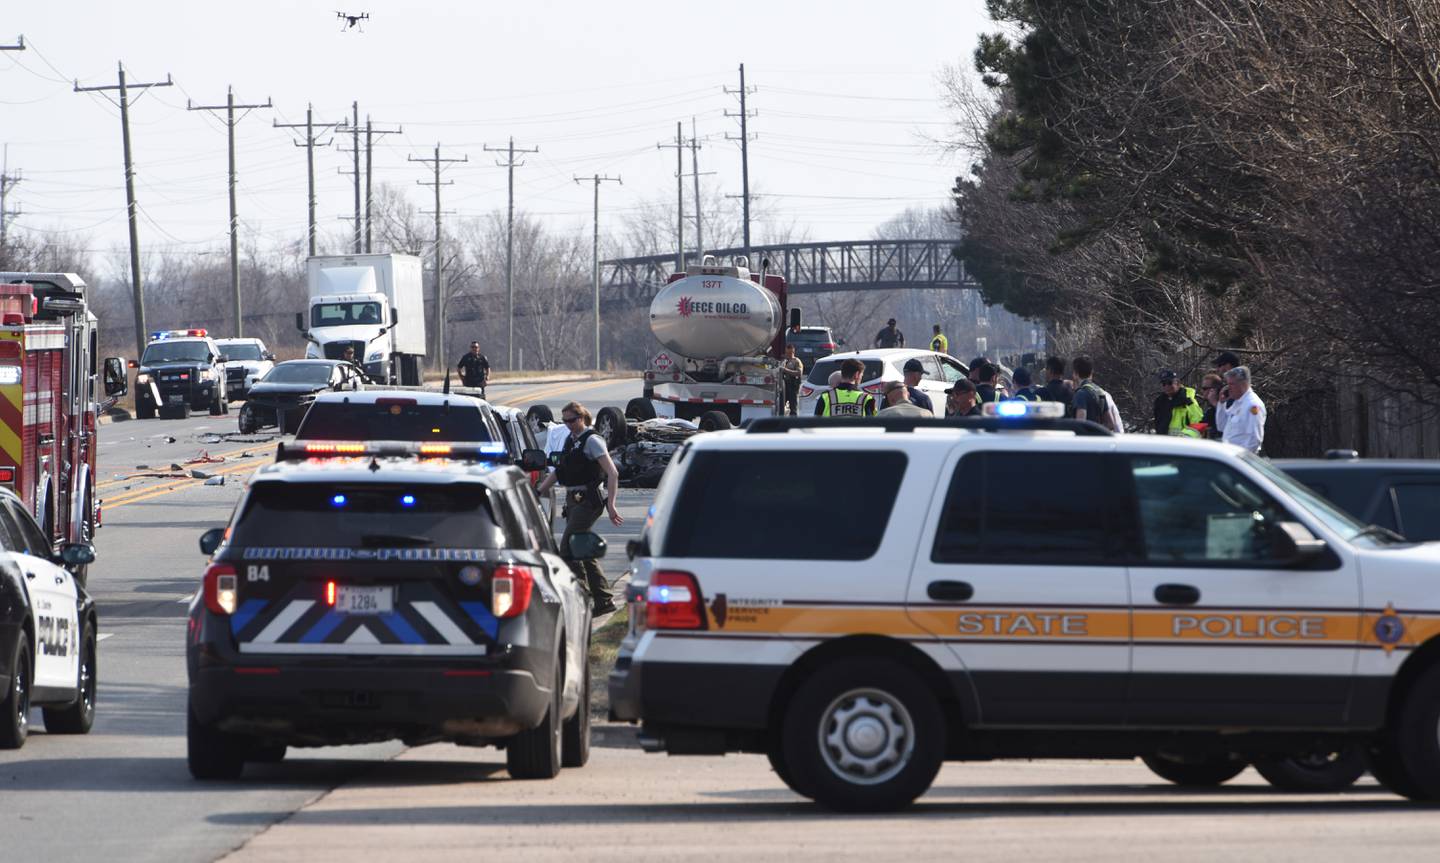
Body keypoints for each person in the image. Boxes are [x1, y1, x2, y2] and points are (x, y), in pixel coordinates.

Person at [535, 402, 624, 616]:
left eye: (572, 420)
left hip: (589, 500)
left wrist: (611, 505)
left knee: (567, 548)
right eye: (564, 421)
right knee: (582, 549)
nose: (568, 425)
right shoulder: (570, 440)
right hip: (573, 500)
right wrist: (538, 491)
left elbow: (612, 473)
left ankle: (581, 599)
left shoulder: (591, 441)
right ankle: (603, 599)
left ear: (582, 418)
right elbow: (560, 470)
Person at [1220, 365, 1266, 453]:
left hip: (1242, 460)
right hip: (1231, 457)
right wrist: (1221, 404)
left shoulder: (1253, 405)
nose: (1228, 388)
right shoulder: (1238, 403)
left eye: (1231, 384)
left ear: (1243, 383)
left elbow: (1254, 440)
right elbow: (1221, 426)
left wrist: (1240, 460)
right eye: (1228, 384)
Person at [1072, 355, 1123, 431]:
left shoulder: (1080, 394)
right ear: (1091, 373)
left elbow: (1080, 425)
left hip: (1085, 442)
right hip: (1099, 440)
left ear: (1075, 374)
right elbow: (1110, 424)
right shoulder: (1100, 392)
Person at [1152, 370, 1204, 436]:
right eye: (1164, 384)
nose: (1167, 386)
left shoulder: (1188, 400)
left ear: (1178, 383)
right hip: (1164, 443)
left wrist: (1186, 438)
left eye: (1170, 383)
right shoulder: (1160, 402)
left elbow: (1198, 424)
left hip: (1183, 444)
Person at [1212, 351, 1241, 437]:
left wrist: (1215, 403)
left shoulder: (1240, 392)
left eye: (1219, 365)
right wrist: (1220, 404)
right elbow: (1222, 426)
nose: (1218, 369)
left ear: (1228, 366)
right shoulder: (1226, 390)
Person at [1196, 372, 1225, 439]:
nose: (1202, 391)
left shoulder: (1226, 406)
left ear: (1214, 390)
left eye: (1204, 388)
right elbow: (1200, 426)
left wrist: (1215, 403)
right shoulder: (1211, 410)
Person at [779, 344, 804, 417]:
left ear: (793, 352)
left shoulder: (796, 361)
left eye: (790, 353)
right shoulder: (784, 361)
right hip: (784, 387)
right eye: (787, 353)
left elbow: (799, 373)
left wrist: (785, 370)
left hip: (793, 387)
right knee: (781, 406)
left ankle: (793, 422)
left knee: (793, 408)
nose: (788, 355)